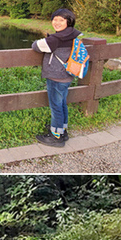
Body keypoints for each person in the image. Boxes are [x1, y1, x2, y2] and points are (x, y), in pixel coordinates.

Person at [32, 8, 81, 147]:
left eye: (61, 20)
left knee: (56, 106)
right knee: (61, 103)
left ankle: (56, 137)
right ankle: (62, 130)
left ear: (68, 21)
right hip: (67, 76)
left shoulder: (57, 38)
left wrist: (45, 39)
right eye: (55, 19)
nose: (57, 22)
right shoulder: (72, 34)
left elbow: (36, 46)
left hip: (56, 76)